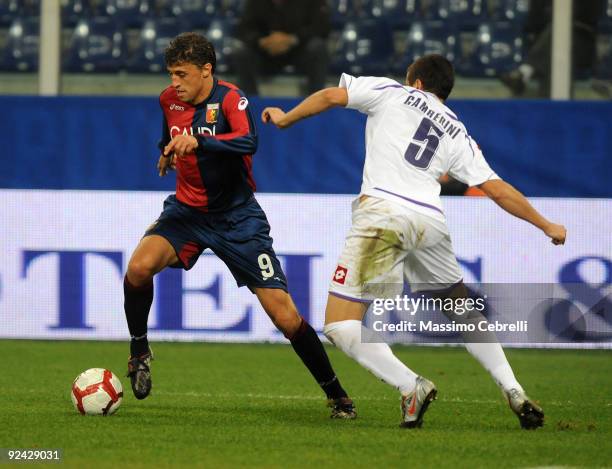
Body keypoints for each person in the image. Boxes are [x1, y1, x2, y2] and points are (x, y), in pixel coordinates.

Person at [262, 54, 567, 429]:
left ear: (416, 82)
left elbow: (330, 96)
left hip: (384, 216)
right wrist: (545, 223)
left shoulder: (392, 91)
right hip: (429, 221)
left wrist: (285, 118)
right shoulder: (457, 130)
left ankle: (411, 386)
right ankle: (513, 388)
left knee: (341, 326)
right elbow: (496, 189)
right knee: (461, 308)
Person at [123, 32, 355, 419]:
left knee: (285, 317)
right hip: (187, 212)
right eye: (171, 75)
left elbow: (248, 142)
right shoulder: (168, 101)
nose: (174, 83)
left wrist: (199, 140)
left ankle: (337, 394)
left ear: (206, 70)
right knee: (138, 267)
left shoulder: (232, 99)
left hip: (237, 218)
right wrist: (166, 152)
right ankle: (139, 350)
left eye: (181, 74)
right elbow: (170, 135)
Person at [499, 0, 601, 97]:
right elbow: (534, 21)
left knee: (558, 30)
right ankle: (551, 110)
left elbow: (588, 15)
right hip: (547, 44)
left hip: (581, 42)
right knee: (551, 56)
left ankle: (525, 72)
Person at [233, 0, 330, 96]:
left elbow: (321, 27)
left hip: (299, 51)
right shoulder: (254, 2)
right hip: (265, 52)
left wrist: (292, 39)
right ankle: (249, 104)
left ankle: (316, 102)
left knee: (318, 48)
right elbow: (243, 29)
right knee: (242, 53)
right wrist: (262, 41)